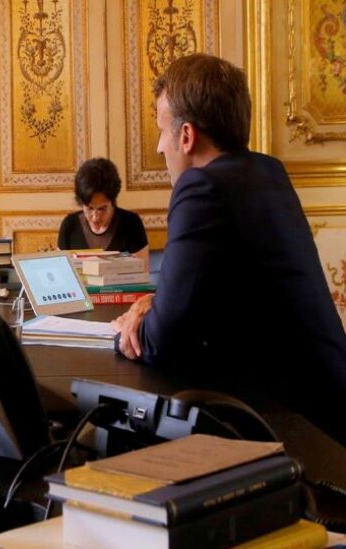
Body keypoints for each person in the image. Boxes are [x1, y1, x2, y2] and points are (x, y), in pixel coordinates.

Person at [111, 53, 346, 446]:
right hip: (331, 409)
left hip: (298, 435)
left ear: (186, 136)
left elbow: (159, 340)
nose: (159, 147)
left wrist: (131, 325)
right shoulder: (267, 172)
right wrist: (154, 304)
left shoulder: (202, 188)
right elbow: (214, 295)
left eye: (162, 131)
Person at [57, 157, 149, 268]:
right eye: (90, 208)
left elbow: (142, 274)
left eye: (102, 209)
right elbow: (62, 272)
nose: (95, 217)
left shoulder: (131, 224)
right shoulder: (69, 225)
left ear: (112, 201)